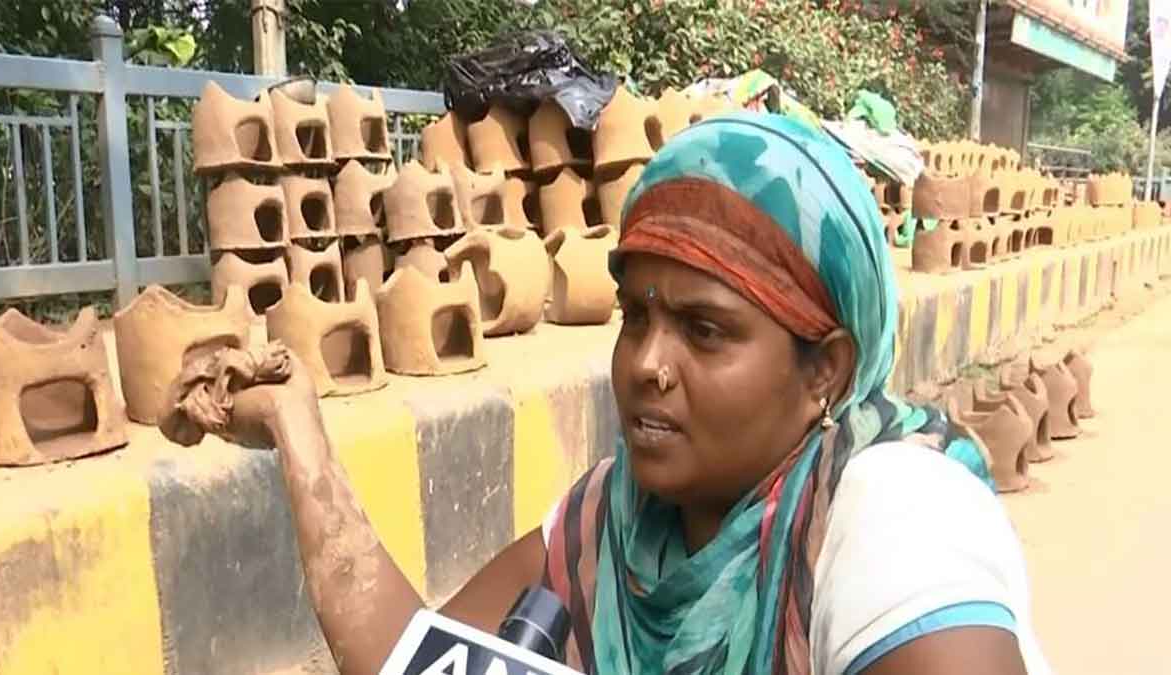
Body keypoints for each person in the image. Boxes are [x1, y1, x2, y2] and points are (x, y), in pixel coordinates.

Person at [161, 113, 1049, 675]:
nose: (646, 364)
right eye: (636, 316)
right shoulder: (610, 522)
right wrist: (295, 424)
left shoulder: (891, 517)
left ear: (827, 369)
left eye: (705, 330)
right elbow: (415, 660)